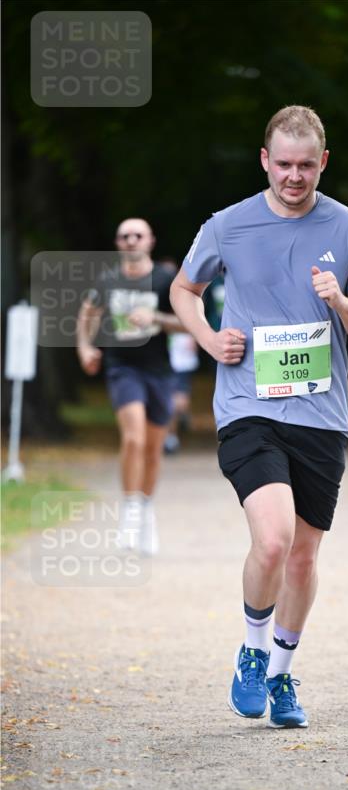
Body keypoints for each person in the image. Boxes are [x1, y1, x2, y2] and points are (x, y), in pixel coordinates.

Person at [170, 105, 348, 728]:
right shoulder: (228, 226)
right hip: (248, 407)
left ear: (324, 162)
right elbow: (183, 289)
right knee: (272, 539)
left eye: (306, 165)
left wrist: (339, 299)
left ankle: (284, 677)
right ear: (265, 160)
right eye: (283, 164)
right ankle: (252, 652)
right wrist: (210, 340)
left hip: (320, 415)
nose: (294, 176)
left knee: (303, 558)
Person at [76, 218, 184, 554]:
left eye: (138, 235)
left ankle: (146, 513)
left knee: (153, 448)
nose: (131, 240)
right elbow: (87, 314)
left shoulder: (166, 280)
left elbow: (187, 324)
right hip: (122, 368)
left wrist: (155, 318)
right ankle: (130, 510)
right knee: (134, 438)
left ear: (150, 240)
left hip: (159, 372)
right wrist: (85, 347)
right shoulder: (107, 280)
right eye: (125, 236)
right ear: (118, 243)